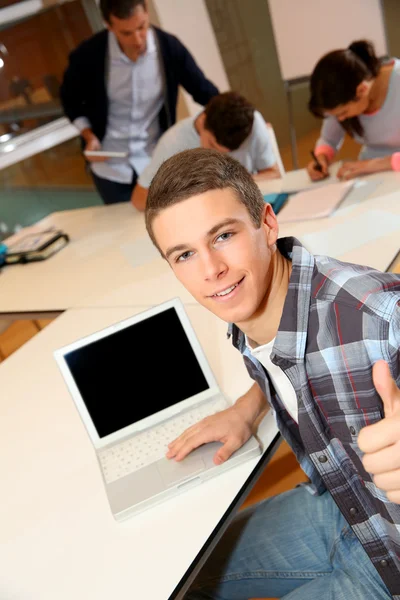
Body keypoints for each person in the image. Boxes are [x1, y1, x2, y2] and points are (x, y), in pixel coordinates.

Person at [145, 147, 400, 599]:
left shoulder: (378, 314)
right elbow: (293, 356)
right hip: (346, 510)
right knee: (186, 581)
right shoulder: (253, 312)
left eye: (223, 236)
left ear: (267, 223)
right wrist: (249, 406)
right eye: (184, 255)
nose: (211, 270)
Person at [60, 0, 218, 205]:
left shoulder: (169, 48)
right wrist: (89, 136)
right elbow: (69, 100)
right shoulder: (87, 55)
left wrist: (245, 122)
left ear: (147, 14)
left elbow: (205, 92)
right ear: (109, 26)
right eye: (126, 33)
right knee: (125, 231)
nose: (137, 39)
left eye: (142, 27)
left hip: (155, 161)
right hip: (110, 169)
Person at [131, 91, 280, 211]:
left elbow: (273, 173)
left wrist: (235, 182)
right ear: (203, 120)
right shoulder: (173, 143)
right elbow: (139, 198)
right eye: (212, 145)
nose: (219, 156)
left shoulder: (253, 122)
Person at [307, 40, 400, 182]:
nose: (340, 119)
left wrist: (375, 164)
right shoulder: (340, 97)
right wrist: (322, 157)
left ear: (362, 90)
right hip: (368, 177)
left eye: (343, 112)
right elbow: (328, 139)